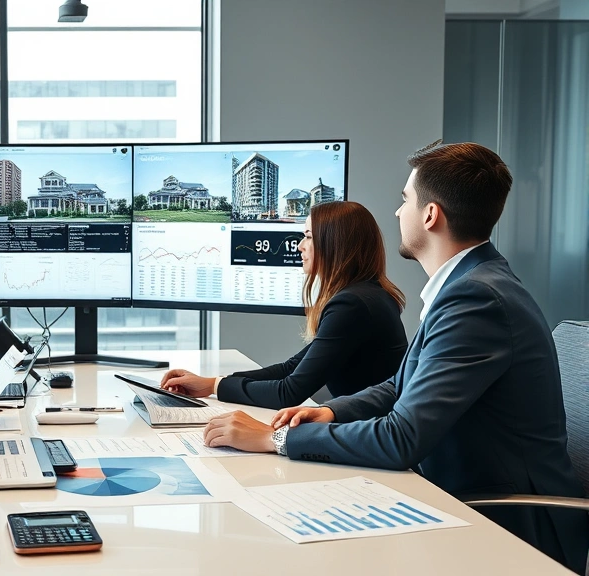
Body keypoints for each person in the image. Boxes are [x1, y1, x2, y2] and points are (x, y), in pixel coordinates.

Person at [201, 141, 589, 573]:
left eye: (405, 200)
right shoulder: (470, 284)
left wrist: (275, 440)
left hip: (513, 527)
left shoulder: (476, 298)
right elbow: (400, 384)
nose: (398, 212)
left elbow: (402, 438)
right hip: (464, 494)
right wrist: (330, 412)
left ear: (430, 215)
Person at [160, 201, 407, 409]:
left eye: (308, 236)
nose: (299, 246)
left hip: (366, 435)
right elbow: (291, 367)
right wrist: (212, 383)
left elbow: (288, 392)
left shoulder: (351, 305)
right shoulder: (369, 295)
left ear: (334, 243)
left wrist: (215, 386)